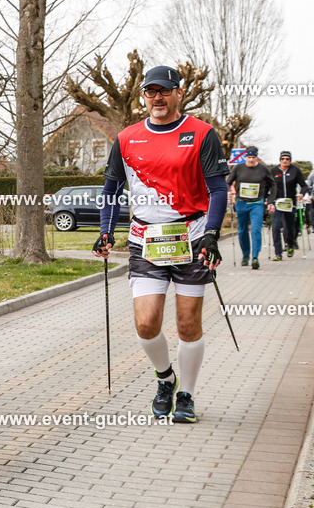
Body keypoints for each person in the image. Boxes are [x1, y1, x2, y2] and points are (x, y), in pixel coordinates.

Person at [93, 65, 228, 424]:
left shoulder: (202, 134)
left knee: (187, 324)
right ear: (144, 96)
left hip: (192, 237)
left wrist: (212, 234)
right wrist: (106, 230)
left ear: (179, 93)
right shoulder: (127, 138)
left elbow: (217, 189)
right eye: (151, 91)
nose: (157, 97)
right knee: (146, 323)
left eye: (165, 90)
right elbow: (111, 189)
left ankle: (187, 394)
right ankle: (166, 378)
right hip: (145, 240)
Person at [225, 146, 275, 269]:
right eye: (249, 157)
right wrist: (228, 191)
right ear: (245, 157)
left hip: (257, 203)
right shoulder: (239, 168)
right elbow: (228, 182)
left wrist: (270, 201)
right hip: (241, 203)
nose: (251, 160)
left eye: (253, 157)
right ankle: (245, 255)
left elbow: (273, 184)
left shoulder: (263, 169)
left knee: (256, 230)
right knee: (242, 231)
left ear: (256, 157)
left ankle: (255, 257)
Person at [269, 151, 310, 259]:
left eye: (287, 159)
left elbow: (304, 186)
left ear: (290, 160)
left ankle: (290, 245)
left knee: (290, 227)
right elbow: (267, 186)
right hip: (277, 202)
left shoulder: (295, 170)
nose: (285, 161)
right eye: (283, 159)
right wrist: (268, 200)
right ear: (280, 160)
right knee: (276, 227)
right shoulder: (273, 171)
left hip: (290, 203)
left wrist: (301, 194)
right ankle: (278, 253)